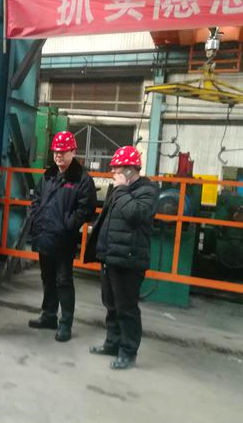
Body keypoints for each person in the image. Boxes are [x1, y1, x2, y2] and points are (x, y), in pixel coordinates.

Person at [85, 146, 159, 370]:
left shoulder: (148, 191)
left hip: (129, 260)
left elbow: (134, 214)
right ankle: (112, 344)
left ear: (130, 169)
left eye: (117, 168)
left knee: (126, 309)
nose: (113, 172)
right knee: (111, 305)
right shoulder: (120, 190)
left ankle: (128, 352)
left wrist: (122, 190)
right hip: (111, 257)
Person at [29, 131, 97, 342]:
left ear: (73, 152)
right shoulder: (48, 175)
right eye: (56, 152)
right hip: (44, 235)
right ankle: (49, 316)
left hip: (64, 240)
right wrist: (36, 216)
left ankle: (65, 324)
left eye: (63, 152)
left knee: (63, 281)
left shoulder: (82, 180)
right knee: (47, 278)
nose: (58, 155)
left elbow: (87, 209)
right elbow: (37, 199)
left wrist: (68, 224)